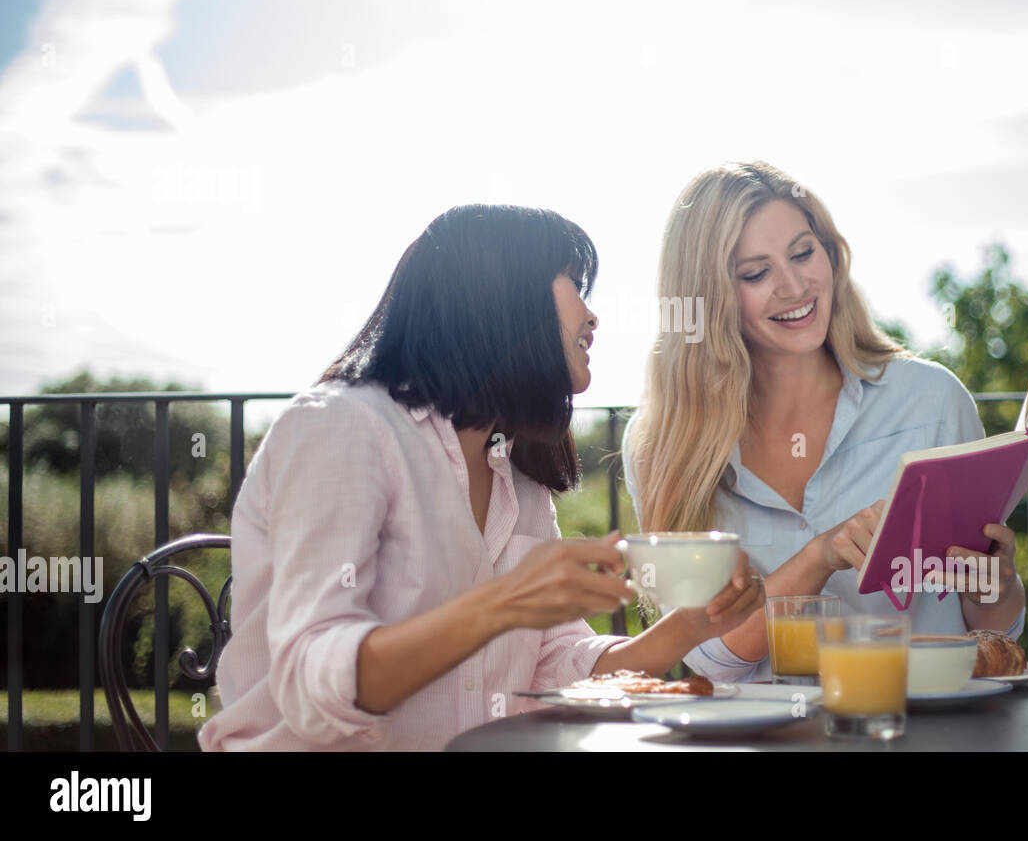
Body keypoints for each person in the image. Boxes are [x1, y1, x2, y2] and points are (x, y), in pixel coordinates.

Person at [199, 204, 764, 751]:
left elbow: (555, 664)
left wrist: (692, 625)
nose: (593, 316)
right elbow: (310, 685)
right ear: (503, 297)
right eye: (572, 283)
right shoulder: (342, 427)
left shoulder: (516, 472)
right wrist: (504, 602)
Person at [622, 162, 1025, 683]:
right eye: (756, 273)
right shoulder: (663, 445)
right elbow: (712, 656)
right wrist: (819, 558)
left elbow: (994, 634)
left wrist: (996, 586)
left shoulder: (931, 401)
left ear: (830, 252)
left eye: (803, 253)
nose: (794, 286)